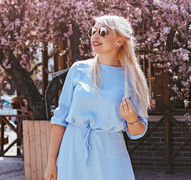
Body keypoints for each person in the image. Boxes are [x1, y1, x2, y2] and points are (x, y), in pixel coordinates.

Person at [44, 15, 151, 180]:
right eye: (93, 31)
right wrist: (51, 162)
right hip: (73, 150)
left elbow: (137, 132)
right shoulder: (78, 69)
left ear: (119, 41)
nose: (95, 36)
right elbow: (60, 118)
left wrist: (132, 120)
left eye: (102, 32)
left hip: (110, 153)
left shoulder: (130, 79)